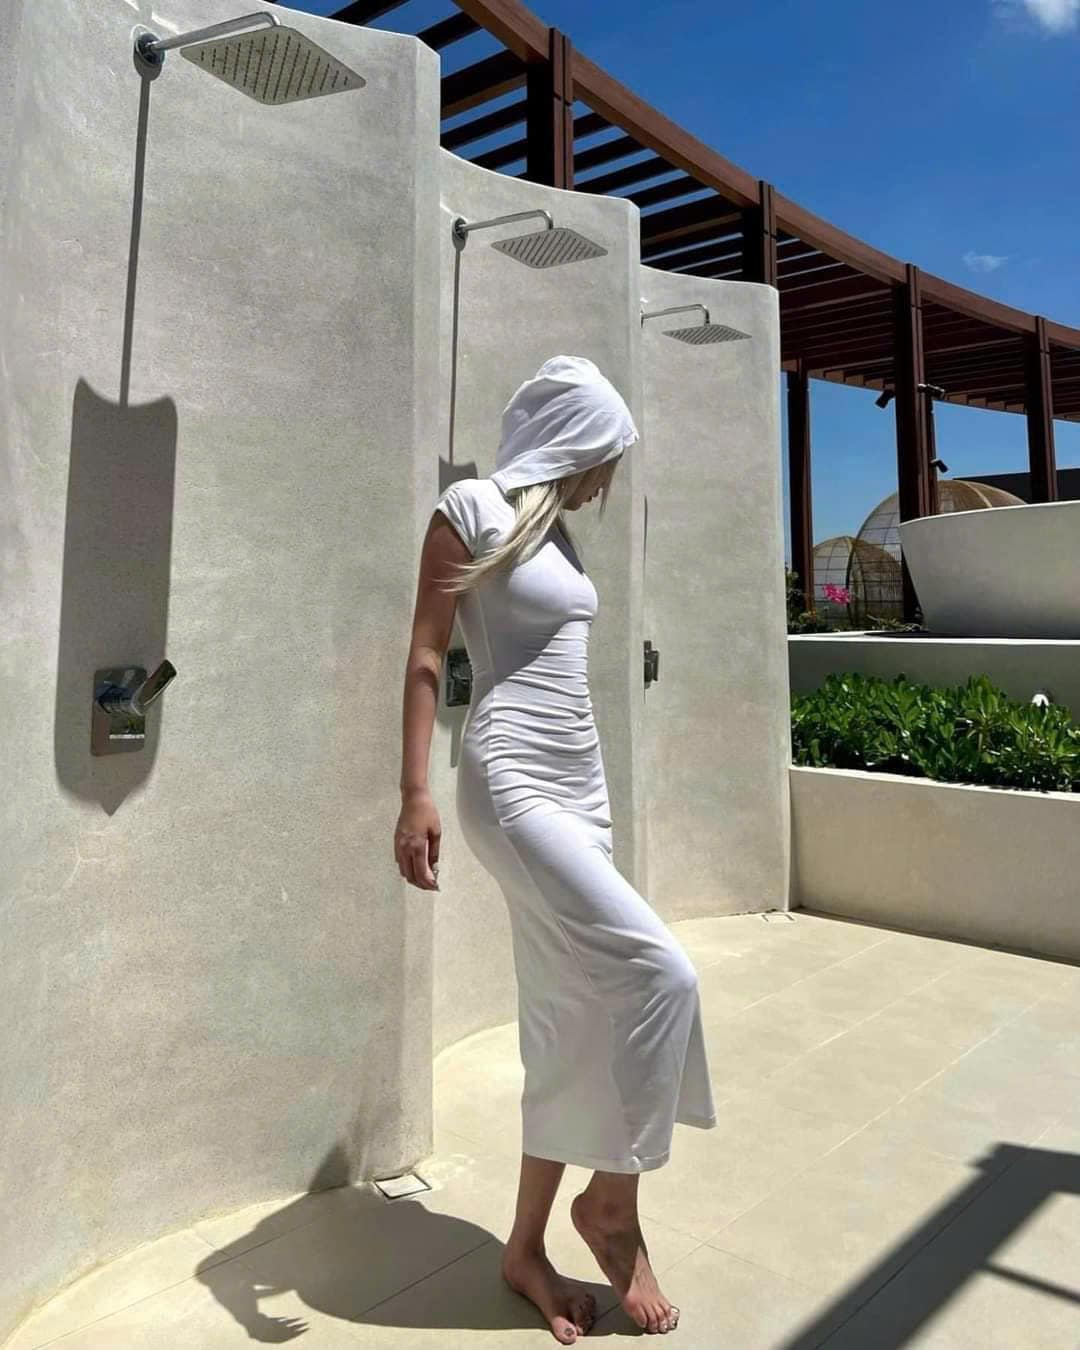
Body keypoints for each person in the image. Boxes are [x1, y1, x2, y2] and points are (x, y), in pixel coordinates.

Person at [395, 355, 716, 1341]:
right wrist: (415, 792)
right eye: (605, 454)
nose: (607, 478)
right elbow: (426, 653)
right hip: (512, 782)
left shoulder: (559, 537)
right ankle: (611, 1206)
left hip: (581, 786)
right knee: (662, 973)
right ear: (573, 436)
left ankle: (524, 1249)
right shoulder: (471, 509)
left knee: (568, 1013)